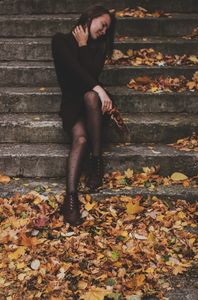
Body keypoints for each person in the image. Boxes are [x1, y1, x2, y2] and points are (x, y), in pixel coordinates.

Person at [51, 5, 116, 226]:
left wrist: (85, 45)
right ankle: (70, 199)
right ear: (90, 17)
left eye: (108, 28)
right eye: (103, 24)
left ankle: (96, 161)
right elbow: (74, 73)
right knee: (79, 139)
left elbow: (89, 74)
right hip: (72, 105)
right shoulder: (59, 41)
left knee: (90, 96)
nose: (105, 31)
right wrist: (99, 88)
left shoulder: (98, 47)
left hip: (95, 107)